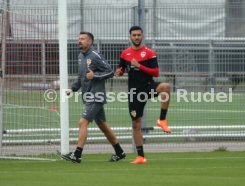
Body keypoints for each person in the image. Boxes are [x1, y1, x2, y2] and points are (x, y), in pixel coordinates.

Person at [61, 32, 125, 163]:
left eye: (82, 39)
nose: (79, 41)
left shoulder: (95, 55)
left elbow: (109, 71)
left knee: (82, 122)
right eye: (79, 39)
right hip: (88, 95)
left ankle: (77, 155)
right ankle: (119, 152)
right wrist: (72, 89)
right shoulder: (81, 56)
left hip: (96, 96)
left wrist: (94, 76)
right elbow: (81, 77)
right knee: (103, 126)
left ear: (90, 42)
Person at [115, 26, 171, 164]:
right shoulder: (125, 54)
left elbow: (156, 72)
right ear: (130, 37)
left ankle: (162, 120)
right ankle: (140, 156)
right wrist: (120, 72)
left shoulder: (149, 53)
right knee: (136, 123)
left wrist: (140, 66)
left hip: (148, 87)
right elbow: (122, 68)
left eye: (139, 35)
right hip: (134, 92)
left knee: (166, 87)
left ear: (142, 36)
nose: (136, 37)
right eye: (134, 35)